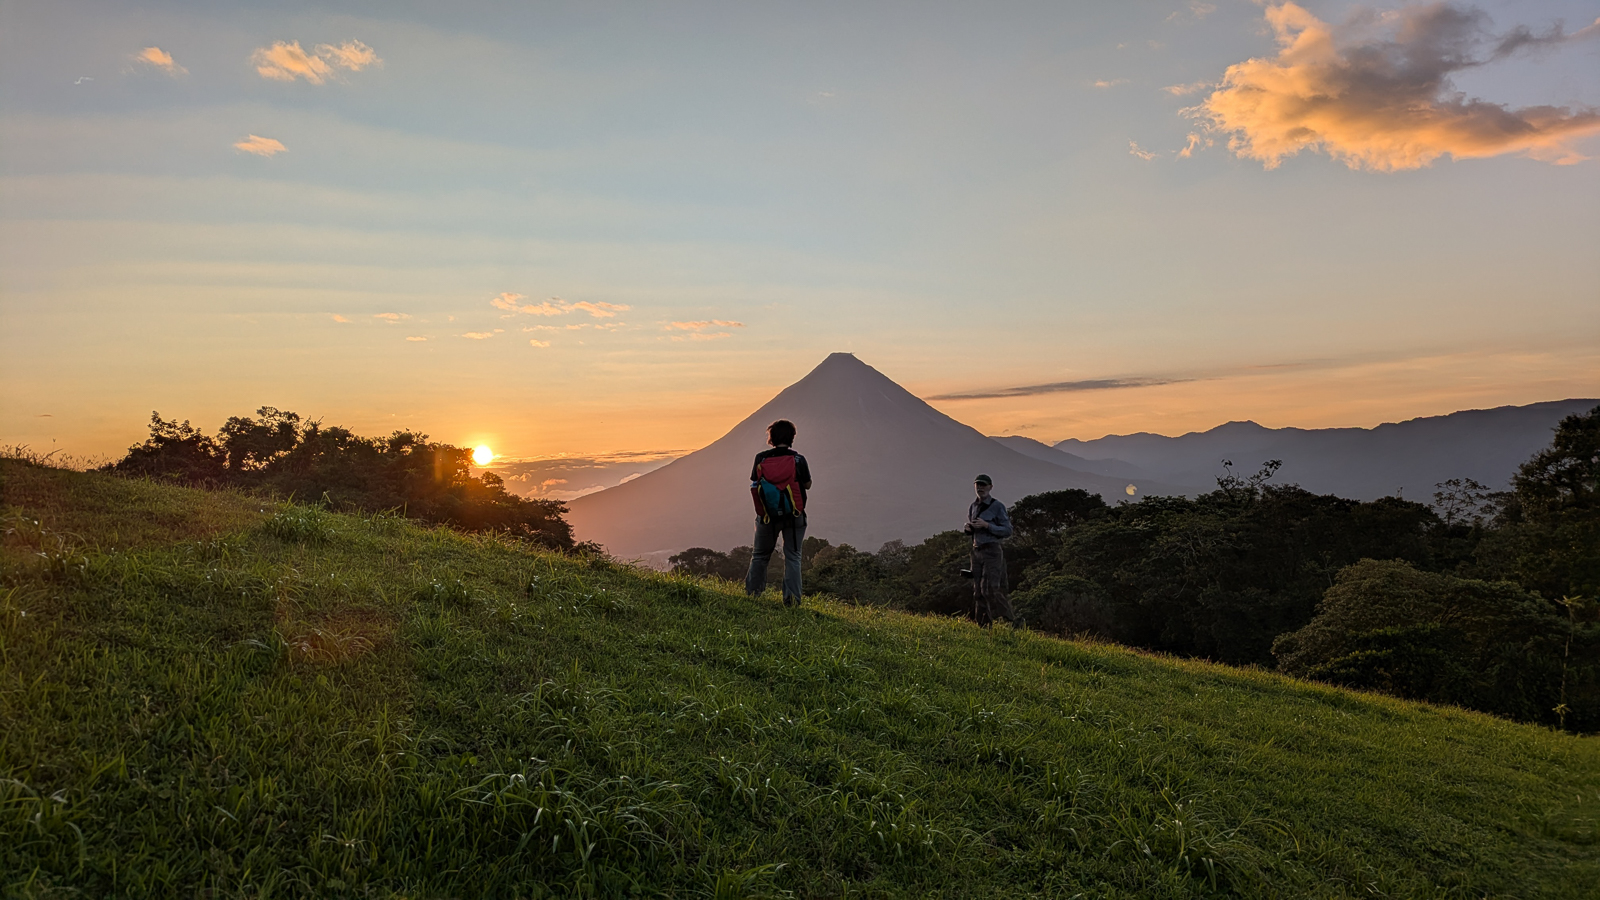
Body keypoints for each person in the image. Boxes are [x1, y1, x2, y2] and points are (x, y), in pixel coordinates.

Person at [746, 419, 811, 606]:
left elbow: (755, 481)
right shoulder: (798, 460)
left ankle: (753, 595)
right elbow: (807, 484)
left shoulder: (761, 459)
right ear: (792, 438)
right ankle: (791, 600)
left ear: (771, 438)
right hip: (794, 516)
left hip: (767, 516)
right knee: (793, 556)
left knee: (760, 555)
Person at [965, 474, 1015, 627]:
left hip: (992, 551)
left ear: (990, 487)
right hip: (977, 551)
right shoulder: (973, 506)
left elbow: (1007, 530)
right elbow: (975, 528)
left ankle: (1009, 622)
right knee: (978, 591)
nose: (980, 488)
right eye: (978, 485)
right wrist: (969, 529)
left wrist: (987, 526)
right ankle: (983, 626)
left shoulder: (997, 506)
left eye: (983, 485)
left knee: (991, 588)